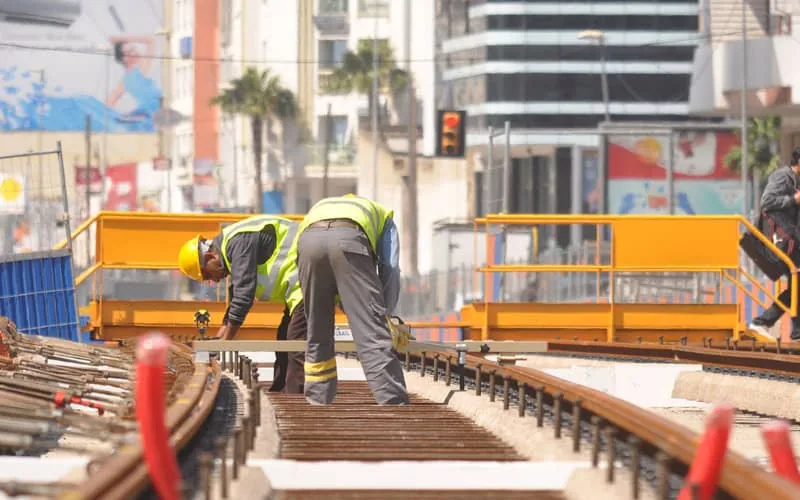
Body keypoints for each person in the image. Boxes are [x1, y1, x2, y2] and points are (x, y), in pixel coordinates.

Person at [295, 194, 408, 405]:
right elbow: (390, 268)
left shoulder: (321, 206)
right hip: (350, 240)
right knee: (372, 335)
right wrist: (385, 316)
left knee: (317, 333)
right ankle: (393, 403)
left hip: (308, 243)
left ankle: (318, 401)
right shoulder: (383, 217)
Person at [177, 215, 306, 393]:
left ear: (210, 256)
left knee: (296, 341)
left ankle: (295, 398)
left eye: (207, 274)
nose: (214, 281)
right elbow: (235, 298)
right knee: (285, 337)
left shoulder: (239, 243)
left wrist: (225, 342)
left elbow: (244, 296)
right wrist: (218, 340)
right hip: (300, 285)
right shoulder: (230, 248)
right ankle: (280, 391)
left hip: (310, 275)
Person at [749, 147, 800, 341]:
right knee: (797, 282)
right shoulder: (783, 176)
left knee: (797, 284)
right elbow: (767, 201)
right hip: (780, 241)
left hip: (792, 241)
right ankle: (763, 322)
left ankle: (792, 330)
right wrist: (793, 199)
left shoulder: (796, 180)